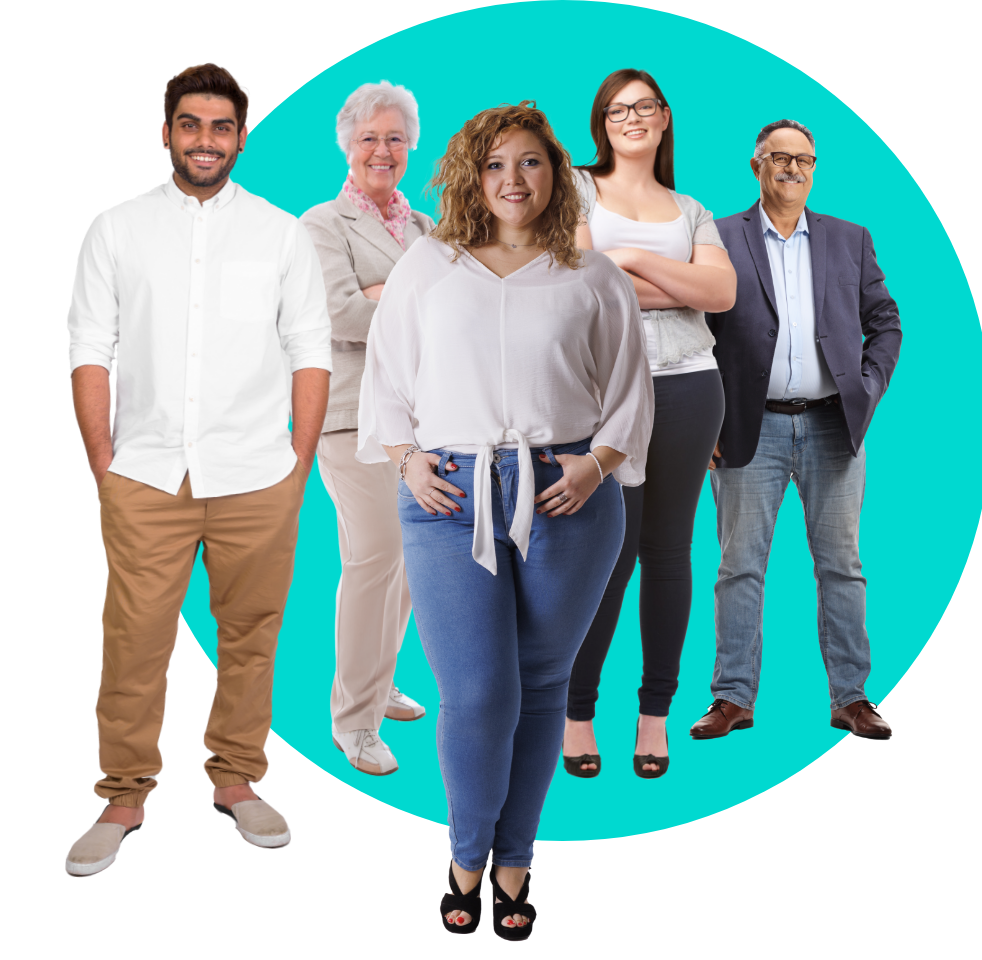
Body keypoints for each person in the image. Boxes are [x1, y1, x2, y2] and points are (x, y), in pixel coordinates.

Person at [355, 102, 652, 939]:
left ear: (556, 175)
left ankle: (515, 862)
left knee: (542, 688)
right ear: (469, 178)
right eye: (493, 165)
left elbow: (631, 389)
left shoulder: (590, 276)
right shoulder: (428, 265)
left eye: (529, 163)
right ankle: (465, 855)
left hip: (569, 492)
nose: (511, 180)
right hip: (450, 494)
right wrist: (407, 460)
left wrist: (598, 464)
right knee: (477, 692)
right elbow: (387, 376)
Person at [64, 62, 332, 878]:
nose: (206, 141)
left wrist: (299, 465)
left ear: (242, 136)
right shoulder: (116, 228)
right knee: (134, 638)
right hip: (145, 474)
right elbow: (88, 351)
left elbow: (310, 353)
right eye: (191, 125)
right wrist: (105, 463)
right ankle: (123, 795)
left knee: (252, 636)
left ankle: (237, 781)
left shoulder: (282, 234)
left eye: (221, 127)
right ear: (166, 133)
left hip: (258, 473)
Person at [694, 119, 901, 741]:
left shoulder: (850, 239)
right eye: (779, 158)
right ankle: (732, 698)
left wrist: (867, 384)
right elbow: (690, 332)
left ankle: (852, 697)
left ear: (815, 168)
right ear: (756, 165)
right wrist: (703, 420)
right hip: (744, 428)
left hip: (833, 423)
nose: (792, 169)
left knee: (842, 565)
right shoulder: (718, 237)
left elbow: (885, 320)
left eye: (804, 159)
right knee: (738, 567)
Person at [563, 69, 736, 778]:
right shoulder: (575, 187)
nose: (630, 118)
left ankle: (654, 716)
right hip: (604, 393)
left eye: (644, 107)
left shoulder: (692, 208)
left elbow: (721, 293)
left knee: (669, 553)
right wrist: (672, 278)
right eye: (615, 109)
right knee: (607, 553)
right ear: (601, 122)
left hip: (693, 388)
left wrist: (628, 258)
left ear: (664, 119)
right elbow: (573, 277)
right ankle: (577, 712)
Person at [300, 82, 434, 777]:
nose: (382, 150)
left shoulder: (422, 229)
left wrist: (386, 295)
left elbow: (455, 312)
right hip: (352, 418)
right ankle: (352, 721)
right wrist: (403, 302)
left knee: (411, 561)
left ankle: (379, 687)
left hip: (421, 418)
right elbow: (338, 317)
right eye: (369, 138)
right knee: (373, 557)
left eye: (395, 138)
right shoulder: (320, 225)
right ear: (347, 146)